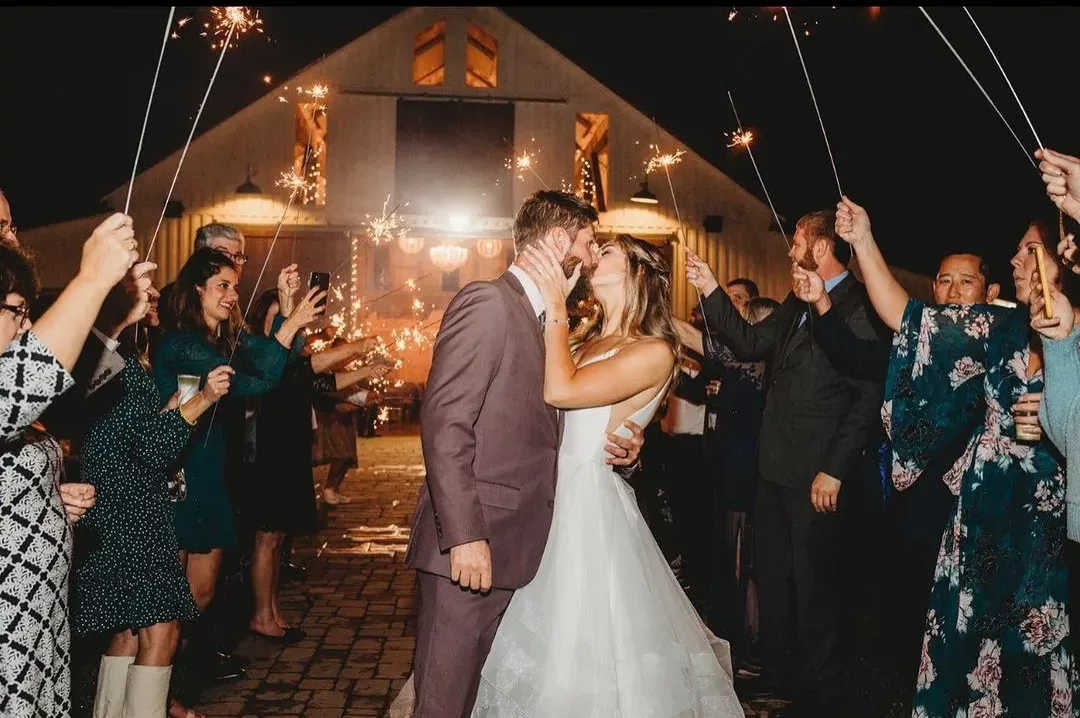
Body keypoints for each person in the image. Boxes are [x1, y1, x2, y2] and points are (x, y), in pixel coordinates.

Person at [828, 195, 1079, 716]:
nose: (1014, 262)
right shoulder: (998, 328)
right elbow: (906, 317)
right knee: (970, 643)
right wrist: (864, 241)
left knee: (1034, 642)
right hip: (984, 513)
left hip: (1050, 520)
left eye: (1028, 250)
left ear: (1064, 259)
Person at [400, 191, 645, 716]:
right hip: (472, 546)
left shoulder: (551, 323)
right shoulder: (490, 301)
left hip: (523, 548)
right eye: (587, 243)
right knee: (443, 702)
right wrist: (464, 534)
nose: (592, 255)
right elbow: (446, 423)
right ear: (559, 241)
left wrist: (627, 446)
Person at [686, 210, 886, 715]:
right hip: (773, 465)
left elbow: (866, 398)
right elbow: (750, 342)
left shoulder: (859, 305)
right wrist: (709, 285)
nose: (788, 245)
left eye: (796, 238)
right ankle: (779, 680)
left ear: (819, 247)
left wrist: (836, 468)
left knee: (815, 588)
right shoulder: (797, 298)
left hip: (818, 472)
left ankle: (820, 695)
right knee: (773, 578)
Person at [793, 249, 1003, 705]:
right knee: (910, 606)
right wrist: (822, 306)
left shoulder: (1002, 340)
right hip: (916, 500)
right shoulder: (917, 341)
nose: (952, 292)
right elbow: (860, 358)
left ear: (991, 293)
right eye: (944, 281)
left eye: (965, 282)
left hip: (976, 498)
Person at [153, 250, 323, 671]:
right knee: (167, 596)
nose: (232, 295)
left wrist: (287, 310)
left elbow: (274, 364)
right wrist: (293, 321)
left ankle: (175, 670)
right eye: (222, 286)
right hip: (179, 473)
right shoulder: (182, 344)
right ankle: (164, 685)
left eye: (234, 286)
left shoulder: (227, 341)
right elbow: (249, 379)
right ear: (197, 290)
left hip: (211, 473)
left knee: (201, 591)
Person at [74, 267, 233, 718]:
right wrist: (200, 401)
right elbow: (145, 450)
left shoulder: (119, 357)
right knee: (161, 632)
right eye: (140, 291)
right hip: (131, 515)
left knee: (128, 632)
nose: (153, 296)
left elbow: (126, 434)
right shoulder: (100, 358)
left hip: (118, 511)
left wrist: (168, 412)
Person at [0, 214, 139, 718]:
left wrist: (46, 505)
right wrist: (92, 280)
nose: (11, 235)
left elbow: (50, 398)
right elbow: (20, 390)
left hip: (37, 627)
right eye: (17, 311)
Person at [246, 288, 388, 642]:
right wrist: (356, 348)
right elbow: (314, 367)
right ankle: (262, 616)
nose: (289, 325)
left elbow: (324, 382)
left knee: (279, 538)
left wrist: (369, 368)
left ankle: (273, 610)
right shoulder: (260, 356)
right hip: (270, 450)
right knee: (267, 536)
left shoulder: (291, 360)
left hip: (291, 450)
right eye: (280, 319)